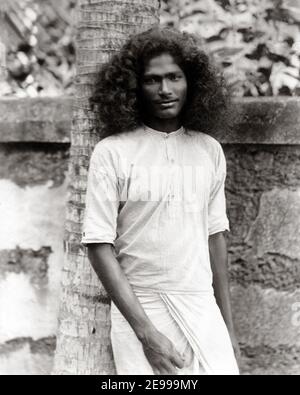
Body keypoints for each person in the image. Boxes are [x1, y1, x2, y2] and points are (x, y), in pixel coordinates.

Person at [81, 26, 240, 375]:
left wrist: (227, 330)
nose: (165, 90)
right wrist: (146, 334)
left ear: (192, 82)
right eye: (153, 80)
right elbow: (98, 245)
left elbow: (216, 238)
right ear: (134, 87)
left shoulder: (209, 150)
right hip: (141, 309)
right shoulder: (112, 153)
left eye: (174, 77)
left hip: (202, 309)